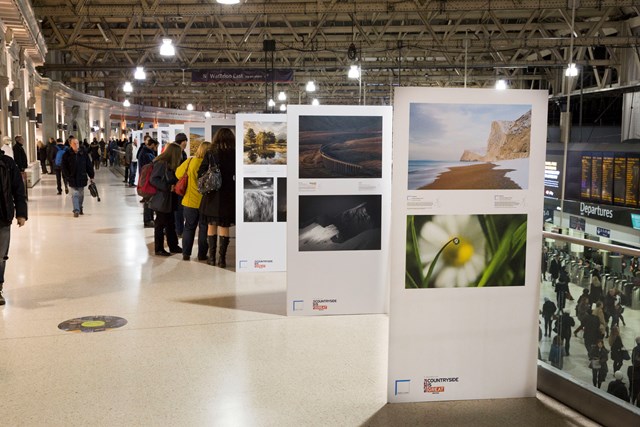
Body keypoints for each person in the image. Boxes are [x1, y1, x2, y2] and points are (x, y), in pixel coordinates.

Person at [198, 128, 235, 268]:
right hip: (228, 194)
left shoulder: (211, 153)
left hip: (212, 194)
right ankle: (222, 259)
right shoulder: (235, 153)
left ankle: (212, 258)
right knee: (224, 226)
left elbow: (200, 172)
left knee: (211, 225)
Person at [0, 148, 28, 305]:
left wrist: (21, 213)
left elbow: (18, 189)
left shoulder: (8, 163)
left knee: (0, 257)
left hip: (3, 217)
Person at [175, 141, 211, 261]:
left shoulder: (190, 161)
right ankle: (201, 254)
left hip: (190, 201)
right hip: (205, 203)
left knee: (189, 227)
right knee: (204, 229)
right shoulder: (210, 165)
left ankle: (186, 254)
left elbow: (178, 173)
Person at [149, 143, 182, 256]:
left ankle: (173, 245)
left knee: (170, 223)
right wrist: (168, 187)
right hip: (162, 198)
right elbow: (154, 179)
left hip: (168, 198)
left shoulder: (168, 164)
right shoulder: (161, 163)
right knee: (160, 224)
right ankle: (159, 248)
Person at [61, 137, 95, 217]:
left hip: (82, 177)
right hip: (72, 178)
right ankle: (76, 210)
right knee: (74, 194)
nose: (76, 145)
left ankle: (80, 207)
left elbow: (88, 165)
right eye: (74, 143)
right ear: (70, 144)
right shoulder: (67, 154)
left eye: (77, 143)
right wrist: (67, 176)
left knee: (81, 195)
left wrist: (91, 176)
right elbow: (64, 167)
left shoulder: (84, 154)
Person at [138, 137, 159, 228]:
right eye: (156, 146)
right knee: (148, 201)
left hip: (145, 179)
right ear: (153, 145)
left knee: (148, 200)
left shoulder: (144, 152)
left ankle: (149, 219)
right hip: (148, 180)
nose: (156, 148)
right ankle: (148, 220)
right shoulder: (148, 155)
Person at [173, 133, 188, 238]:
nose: (186, 143)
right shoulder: (177, 153)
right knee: (178, 209)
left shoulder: (182, 152)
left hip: (179, 184)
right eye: (185, 141)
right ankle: (179, 230)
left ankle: (178, 229)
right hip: (177, 184)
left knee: (179, 208)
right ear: (182, 141)